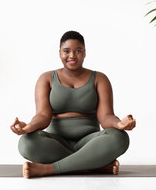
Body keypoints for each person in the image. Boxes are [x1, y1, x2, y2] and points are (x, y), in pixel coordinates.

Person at [10, 30, 136, 178]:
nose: (72, 56)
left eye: (78, 51)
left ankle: (48, 169)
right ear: (59, 53)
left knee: (119, 137)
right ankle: (93, 165)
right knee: (26, 142)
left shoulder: (99, 79)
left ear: (85, 53)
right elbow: (43, 115)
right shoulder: (46, 78)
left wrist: (119, 124)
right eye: (66, 51)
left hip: (90, 142)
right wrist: (28, 127)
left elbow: (106, 116)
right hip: (56, 143)